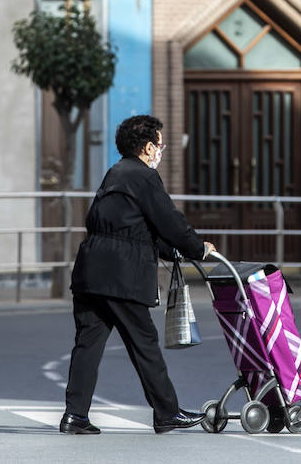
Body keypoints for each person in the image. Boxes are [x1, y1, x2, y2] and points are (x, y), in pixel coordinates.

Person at [61, 114, 215, 436]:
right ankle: (167, 412)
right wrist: (197, 248)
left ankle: (75, 415)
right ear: (148, 147)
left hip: (91, 271)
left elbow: (129, 226)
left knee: (87, 344)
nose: (162, 150)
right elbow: (168, 220)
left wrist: (166, 250)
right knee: (144, 342)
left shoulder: (115, 173)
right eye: (160, 144)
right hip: (121, 274)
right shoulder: (144, 176)